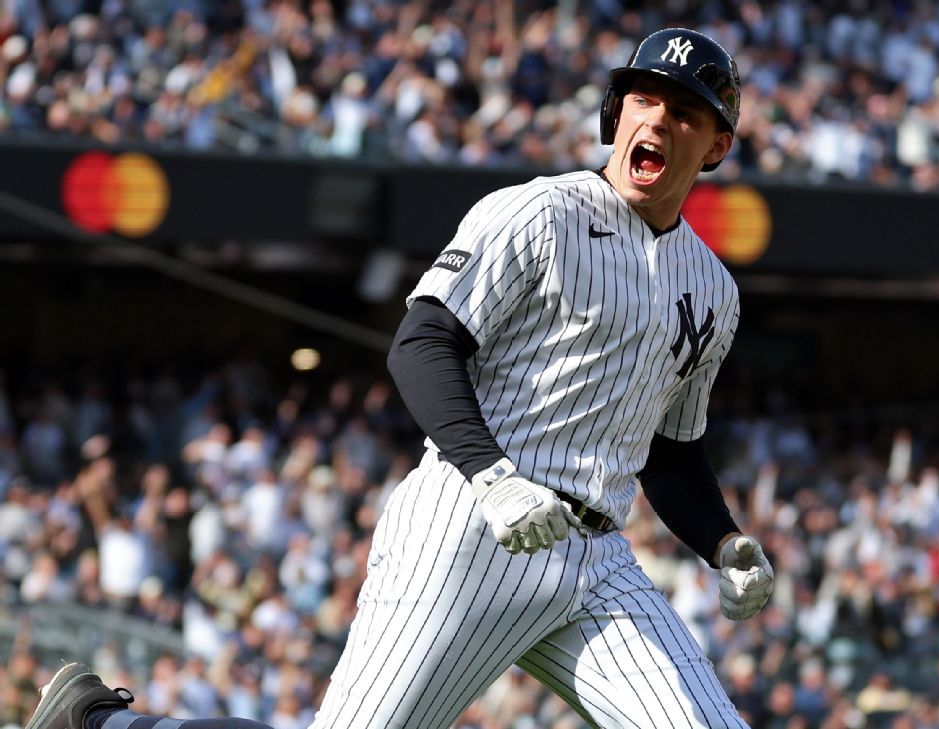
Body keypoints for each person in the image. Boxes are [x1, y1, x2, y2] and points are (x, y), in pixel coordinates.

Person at [25, 27, 773, 729]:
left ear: (716, 145)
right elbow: (422, 344)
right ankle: (106, 722)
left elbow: (670, 452)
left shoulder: (713, 288)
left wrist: (723, 540)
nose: (657, 119)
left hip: (599, 563)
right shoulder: (539, 213)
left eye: (684, 112)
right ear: (616, 112)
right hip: (473, 525)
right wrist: (492, 476)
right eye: (644, 98)